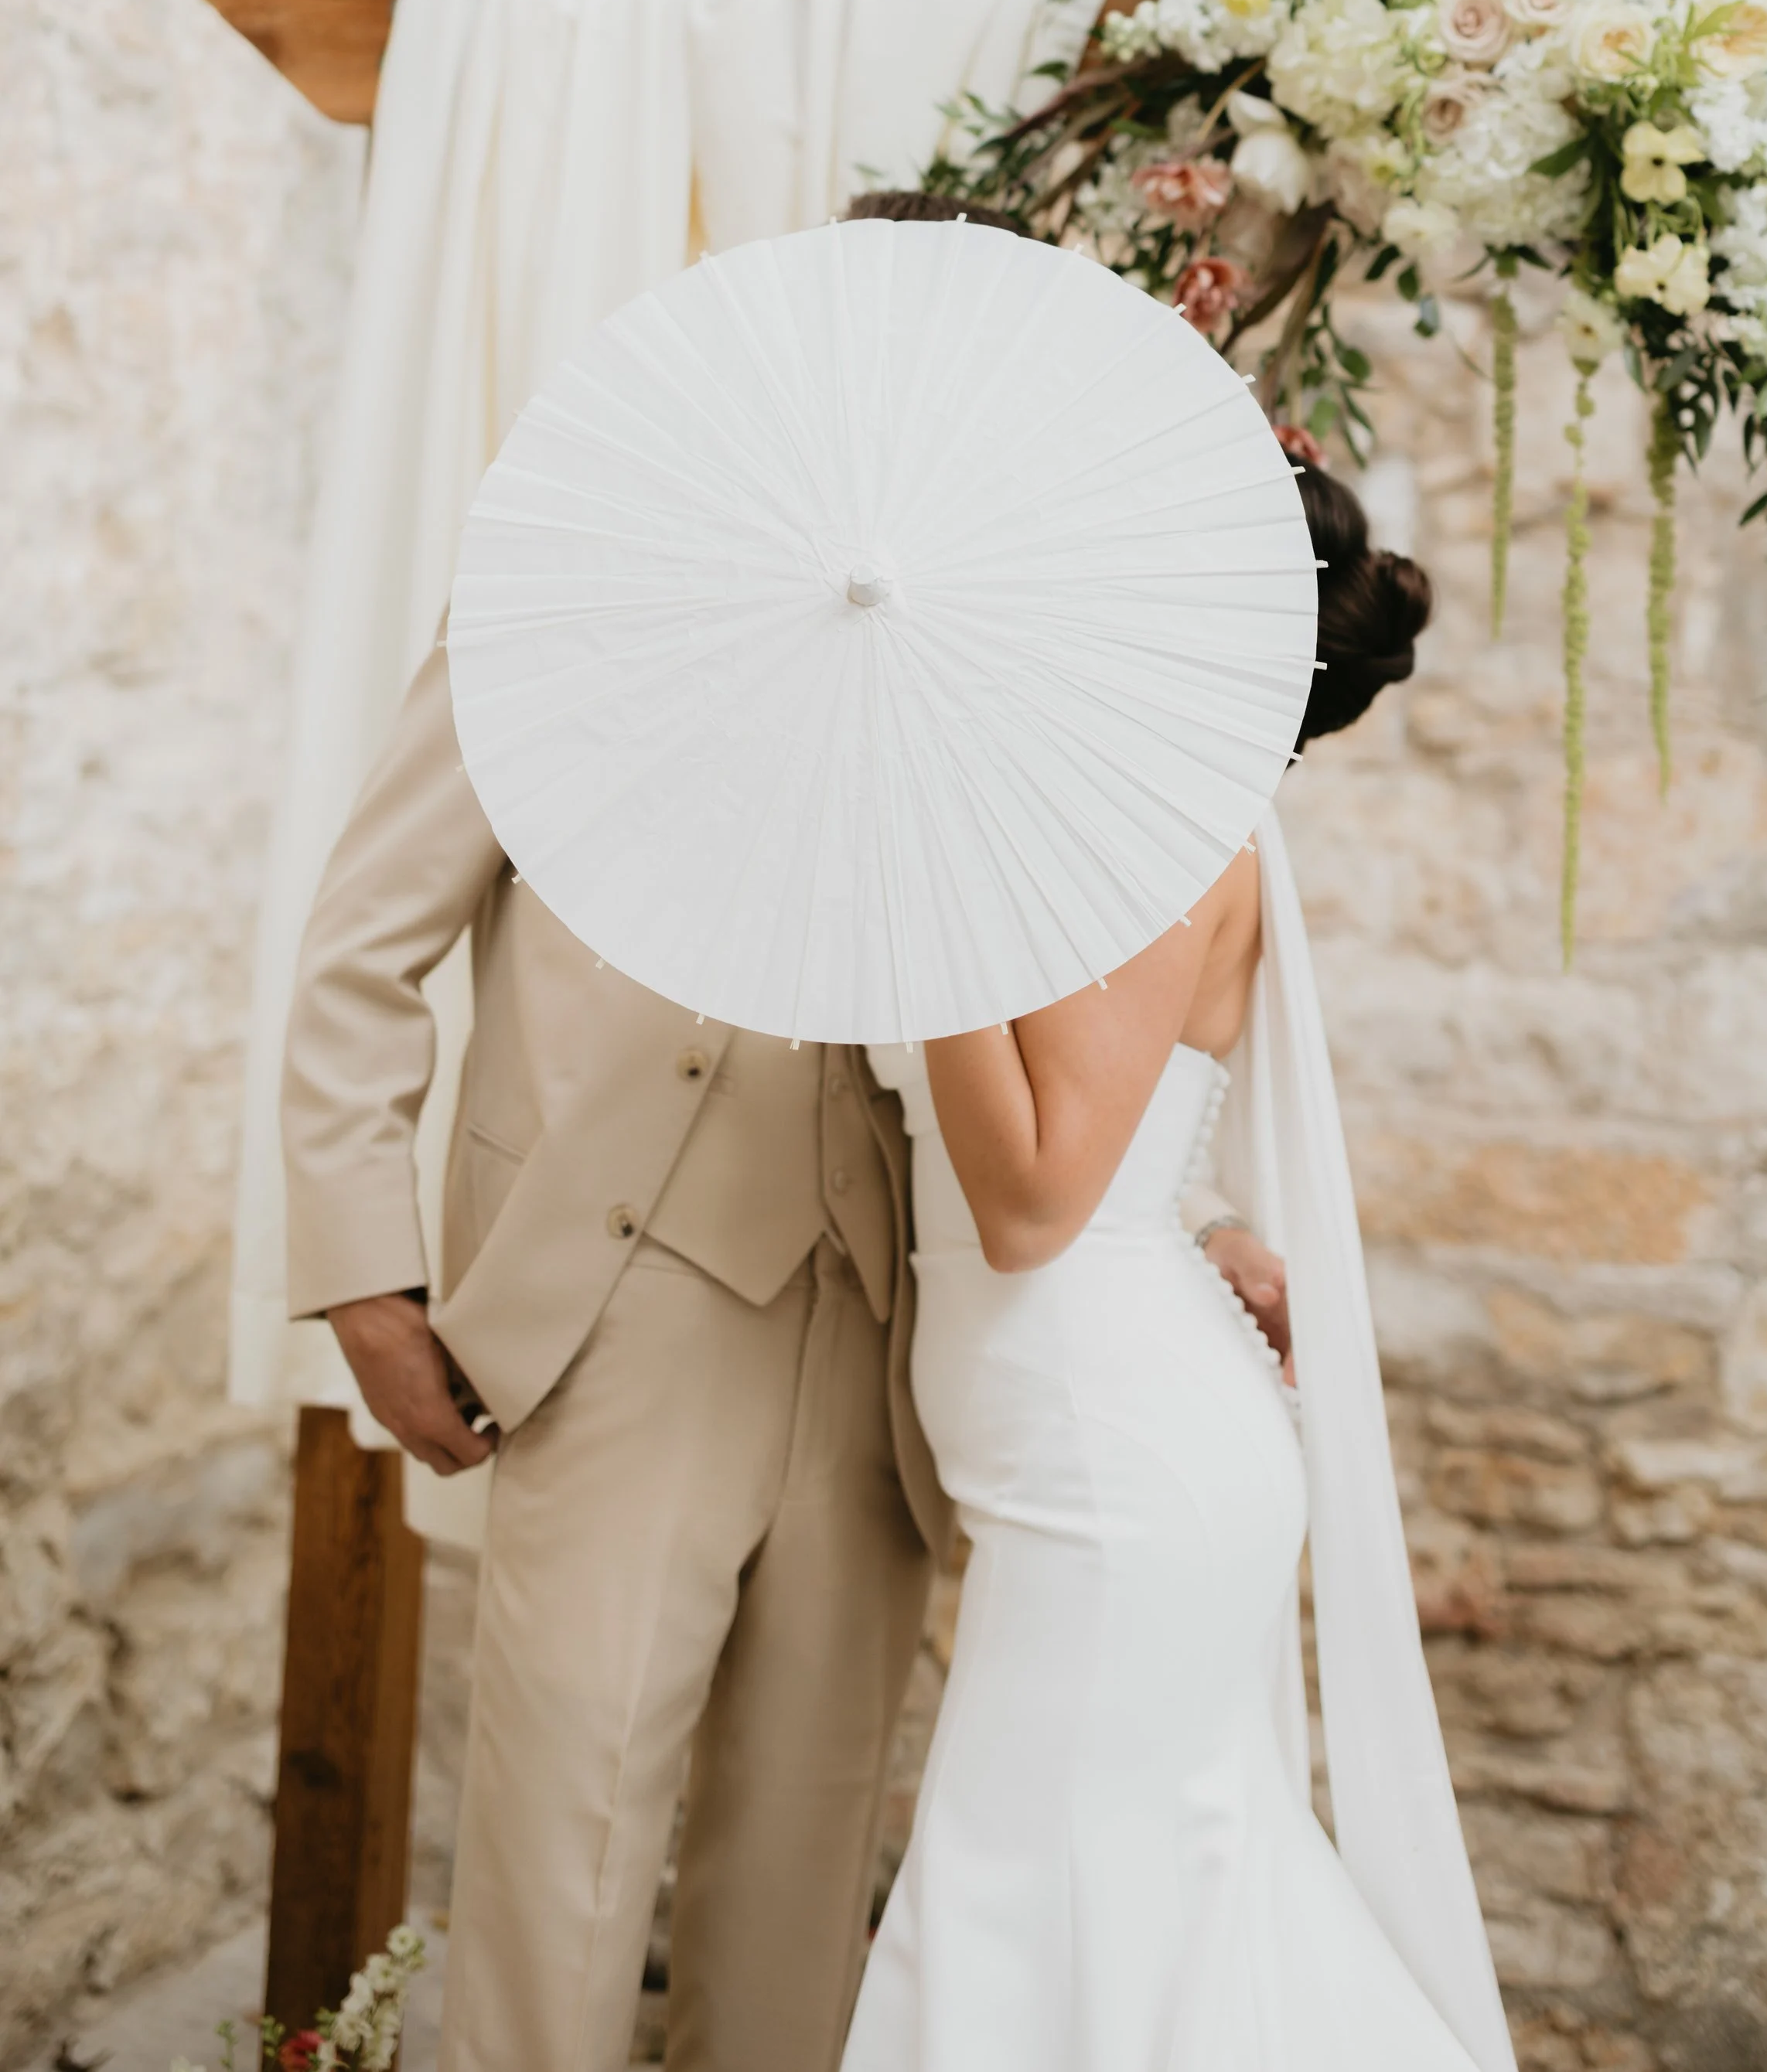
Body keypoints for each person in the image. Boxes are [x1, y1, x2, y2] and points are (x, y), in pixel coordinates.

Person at [280, 188, 1282, 2072]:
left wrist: (1196, 1220)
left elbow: (1099, 1018)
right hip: (606, 1315)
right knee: (556, 1862)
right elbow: (358, 952)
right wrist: (365, 1284)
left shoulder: (1022, 650)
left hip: (893, 1341)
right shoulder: (558, 591)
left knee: (802, 1899)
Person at [843, 461, 1520, 2072]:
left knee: (1037, 1901)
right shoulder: (1091, 815)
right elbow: (1123, 1146)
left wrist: (919, 894)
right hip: (1090, 1433)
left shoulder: (1151, 834)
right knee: (1133, 1910)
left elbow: (1027, 1204)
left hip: (1113, 1466)